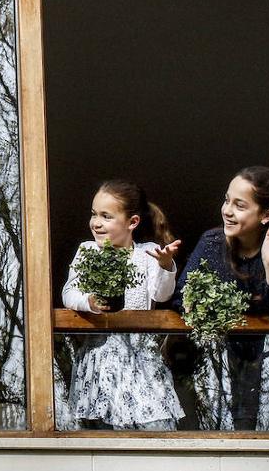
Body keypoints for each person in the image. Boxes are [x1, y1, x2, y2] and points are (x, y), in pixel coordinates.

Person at [172, 166, 269, 430]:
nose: (227, 210)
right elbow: (181, 297)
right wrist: (207, 307)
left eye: (240, 205)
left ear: (267, 215)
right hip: (218, 366)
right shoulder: (212, 242)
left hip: (267, 368)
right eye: (227, 200)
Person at [61, 180, 185, 430]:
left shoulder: (147, 253)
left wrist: (165, 266)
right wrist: (89, 302)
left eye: (106, 216)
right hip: (101, 360)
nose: (96, 222)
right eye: (94, 214)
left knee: (153, 427)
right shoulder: (88, 251)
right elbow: (68, 292)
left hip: (141, 360)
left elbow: (161, 295)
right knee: (104, 434)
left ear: (133, 222)